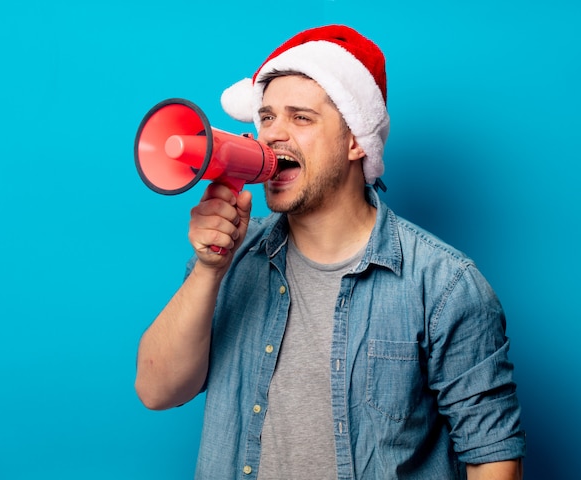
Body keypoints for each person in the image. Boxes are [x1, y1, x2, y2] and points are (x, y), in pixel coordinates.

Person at [135, 24, 526, 480]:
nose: (272, 136)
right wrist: (208, 269)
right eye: (265, 117)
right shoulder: (234, 258)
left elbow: (493, 458)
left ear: (355, 140)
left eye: (300, 118)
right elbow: (156, 390)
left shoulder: (445, 286)